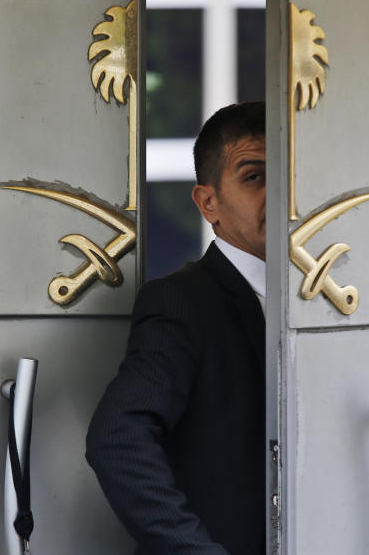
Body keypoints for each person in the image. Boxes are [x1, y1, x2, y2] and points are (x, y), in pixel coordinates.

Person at [86, 101, 267, 555]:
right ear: (208, 202)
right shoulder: (183, 300)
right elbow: (118, 438)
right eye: (254, 176)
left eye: (289, 174)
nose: (280, 193)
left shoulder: (329, 305)